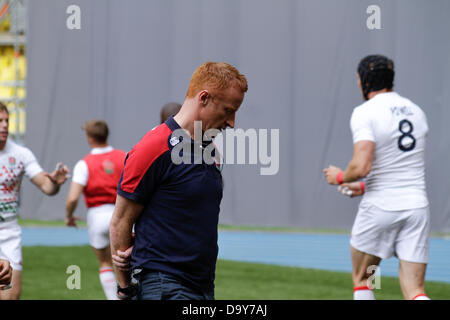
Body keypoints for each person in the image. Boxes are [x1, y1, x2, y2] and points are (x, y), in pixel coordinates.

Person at [110, 62, 248, 300]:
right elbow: (120, 220)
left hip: (203, 286)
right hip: (165, 284)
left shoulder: (211, 151)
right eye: (228, 111)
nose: (232, 122)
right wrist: (125, 287)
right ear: (204, 98)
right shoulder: (154, 147)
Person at [323, 55, 431, 300]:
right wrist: (363, 186)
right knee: (415, 291)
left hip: (381, 207)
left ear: (364, 81)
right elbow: (399, 167)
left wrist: (339, 177)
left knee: (364, 280)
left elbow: (362, 165)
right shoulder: (416, 111)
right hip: (416, 208)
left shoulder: (366, 112)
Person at [0, 103, 69, 300]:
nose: (4, 126)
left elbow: (47, 187)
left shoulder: (21, 154)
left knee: (11, 296)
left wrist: (55, 183)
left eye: (7, 121)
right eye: (0, 121)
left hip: (8, 232)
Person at [65, 120, 126, 300]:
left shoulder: (84, 164)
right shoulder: (124, 157)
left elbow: (73, 197)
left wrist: (69, 216)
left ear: (90, 138)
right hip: (122, 215)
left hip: (97, 216)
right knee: (126, 263)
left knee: (105, 262)